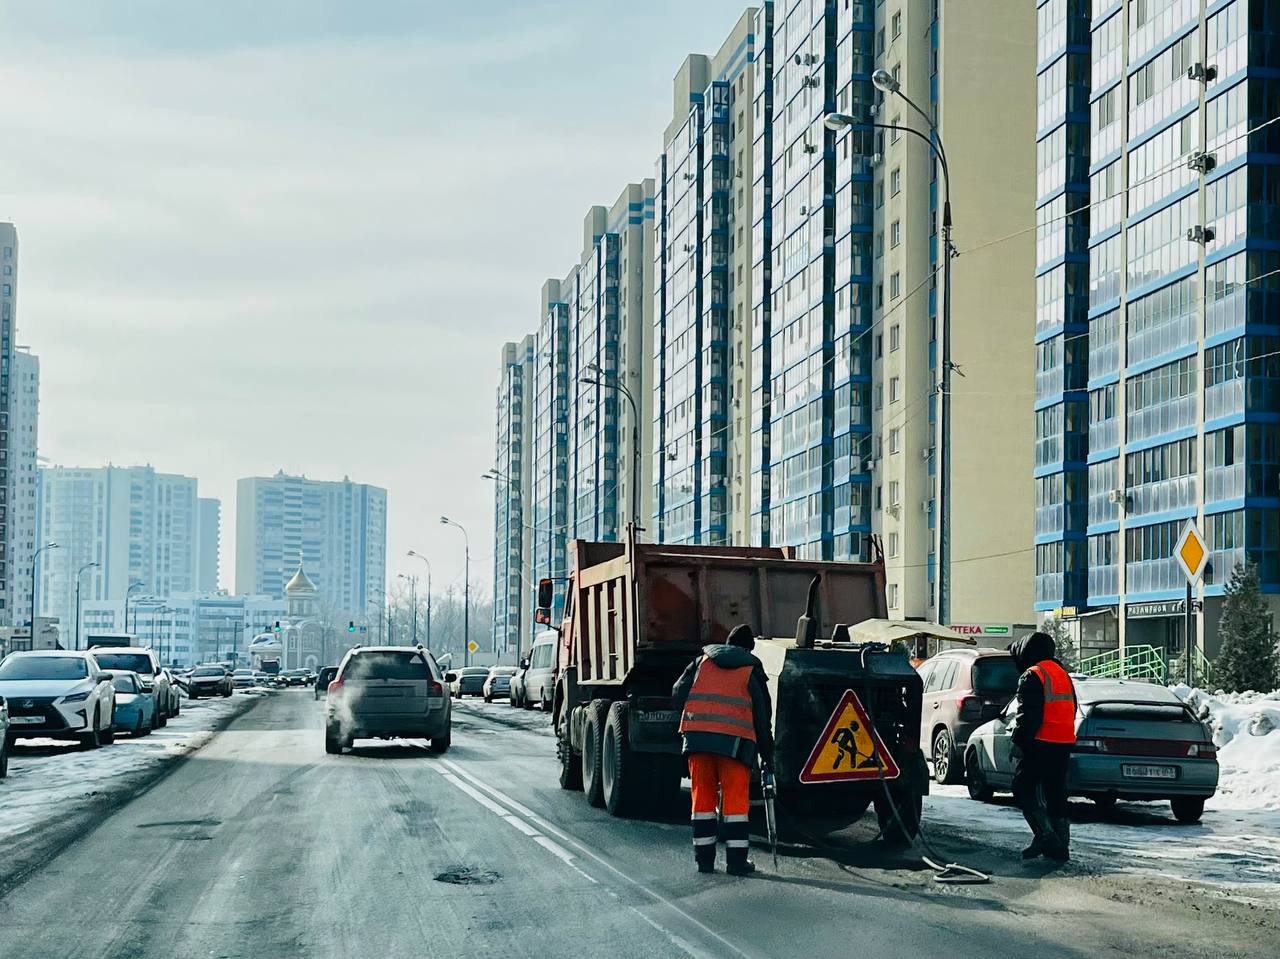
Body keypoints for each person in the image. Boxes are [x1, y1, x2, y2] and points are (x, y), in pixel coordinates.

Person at [671, 624, 775, 875]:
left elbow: (677, 692)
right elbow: (762, 716)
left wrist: (694, 720)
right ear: (749, 648)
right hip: (736, 745)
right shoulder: (751, 669)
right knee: (735, 804)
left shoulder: (701, 663)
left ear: (727, 643)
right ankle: (736, 863)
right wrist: (767, 755)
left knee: (703, 801)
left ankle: (704, 861)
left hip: (698, 742)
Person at [1007, 630, 1077, 862]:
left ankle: (1047, 838)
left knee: (1023, 789)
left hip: (1040, 743)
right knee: (1055, 794)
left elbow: (1029, 716)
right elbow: (1072, 707)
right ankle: (1060, 844)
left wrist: (1018, 743)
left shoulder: (1032, 675)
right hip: (1063, 742)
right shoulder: (1062, 674)